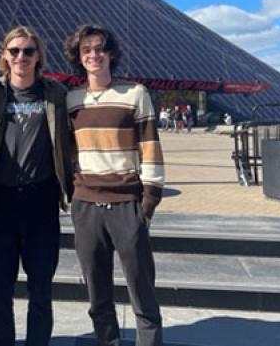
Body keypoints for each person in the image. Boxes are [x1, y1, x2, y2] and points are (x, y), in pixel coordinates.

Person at [64, 24, 165, 346]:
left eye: (99, 49)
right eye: (86, 50)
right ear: (78, 58)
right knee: (97, 292)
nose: (93, 55)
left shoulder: (135, 94)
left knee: (142, 289)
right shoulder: (71, 100)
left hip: (127, 204)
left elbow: (150, 145)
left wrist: (148, 201)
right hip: (86, 205)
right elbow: (65, 152)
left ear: (111, 54)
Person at [0, 25, 73, 346]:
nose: (21, 57)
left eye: (28, 51)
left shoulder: (55, 94)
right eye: (15, 50)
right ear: (4, 55)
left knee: (41, 292)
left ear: (38, 56)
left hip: (40, 202)